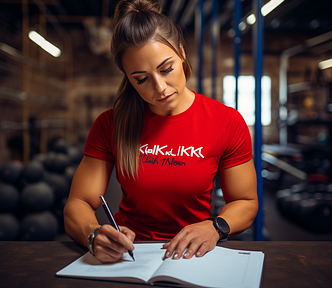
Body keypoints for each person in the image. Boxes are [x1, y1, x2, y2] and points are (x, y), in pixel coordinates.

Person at [64, 0, 258, 264]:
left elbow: (246, 201)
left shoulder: (226, 121)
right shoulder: (111, 124)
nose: (160, 87)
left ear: (181, 53)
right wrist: (93, 234)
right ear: (129, 78)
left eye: (166, 69)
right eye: (141, 79)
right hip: (130, 256)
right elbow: (78, 203)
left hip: (194, 254)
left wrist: (215, 226)